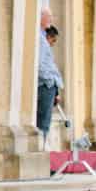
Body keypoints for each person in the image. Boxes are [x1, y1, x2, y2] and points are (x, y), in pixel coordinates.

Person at [37, 9, 64, 147]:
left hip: (48, 85)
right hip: (45, 86)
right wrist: (50, 82)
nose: (52, 19)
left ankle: (42, 150)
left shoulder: (42, 37)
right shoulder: (41, 40)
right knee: (43, 123)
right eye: (50, 17)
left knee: (44, 123)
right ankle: (41, 152)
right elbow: (40, 65)